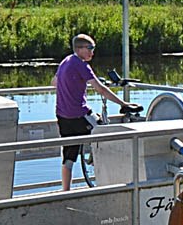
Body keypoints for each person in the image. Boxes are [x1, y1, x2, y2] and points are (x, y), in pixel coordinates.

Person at [55, 33, 129, 190]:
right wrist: (123, 103)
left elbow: (54, 82)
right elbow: (101, 89)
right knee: (106, 135)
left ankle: (64, 192)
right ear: (79, 49)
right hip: (79, 115)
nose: (92, 52)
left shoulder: (64, 62)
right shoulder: (82, 65)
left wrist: (74, 83)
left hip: (63, 117)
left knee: (68, 157)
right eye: (90, 48)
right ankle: (101, 169)